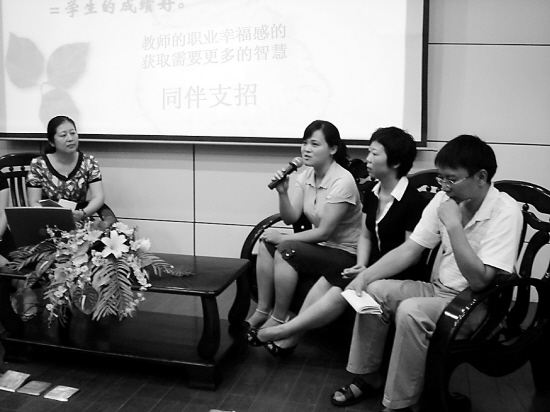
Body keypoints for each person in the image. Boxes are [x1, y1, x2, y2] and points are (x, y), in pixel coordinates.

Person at [330, 135, 522, 412]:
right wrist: (365, 276)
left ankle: (400, 404)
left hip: (475, 304)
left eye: (451, 179)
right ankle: (368, 377)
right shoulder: (445, 199)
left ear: (481, 177)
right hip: (438, 290)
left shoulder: (506, 211)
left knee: (411, 311)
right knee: (373, 291)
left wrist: (454, 226)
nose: (444, 187)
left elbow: (480, 281)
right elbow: (411, 249)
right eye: (442, 178)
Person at [256, 127, 428, 353]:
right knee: (330, 279)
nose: (367, 159)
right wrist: (362, 265)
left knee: (341, 288)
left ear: (395, 162)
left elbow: (409, 253)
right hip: (368, 264)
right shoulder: (373, 192)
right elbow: (365, 235)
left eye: (375, 154)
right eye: (369, 152)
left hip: (396, 272)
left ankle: (286, 331)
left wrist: (369, 272)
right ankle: (287, 333)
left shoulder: (413, 200)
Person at [246, 120, 363, 355]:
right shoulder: (307, 175)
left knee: (286, 249)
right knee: (267, 242)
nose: (306, 149)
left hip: (346, 253)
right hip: (323, 247)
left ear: (332, 149)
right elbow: (291, 217)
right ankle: (262, 310)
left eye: (314, 144)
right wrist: (282, 193)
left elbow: (324, 231)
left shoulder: (343, 180)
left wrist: (284, 240)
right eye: (304, 143)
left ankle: (279, 318)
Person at [26, 115, 105, 221]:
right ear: (52, 142)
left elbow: (98, 197)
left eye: (73, 133)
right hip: (48, 221)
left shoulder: (89, 162)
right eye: (63, 135)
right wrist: (50, 216)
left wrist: (83, 213)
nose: (70, 139)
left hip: (80, 219)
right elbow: (34, 201)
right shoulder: (38, 164)